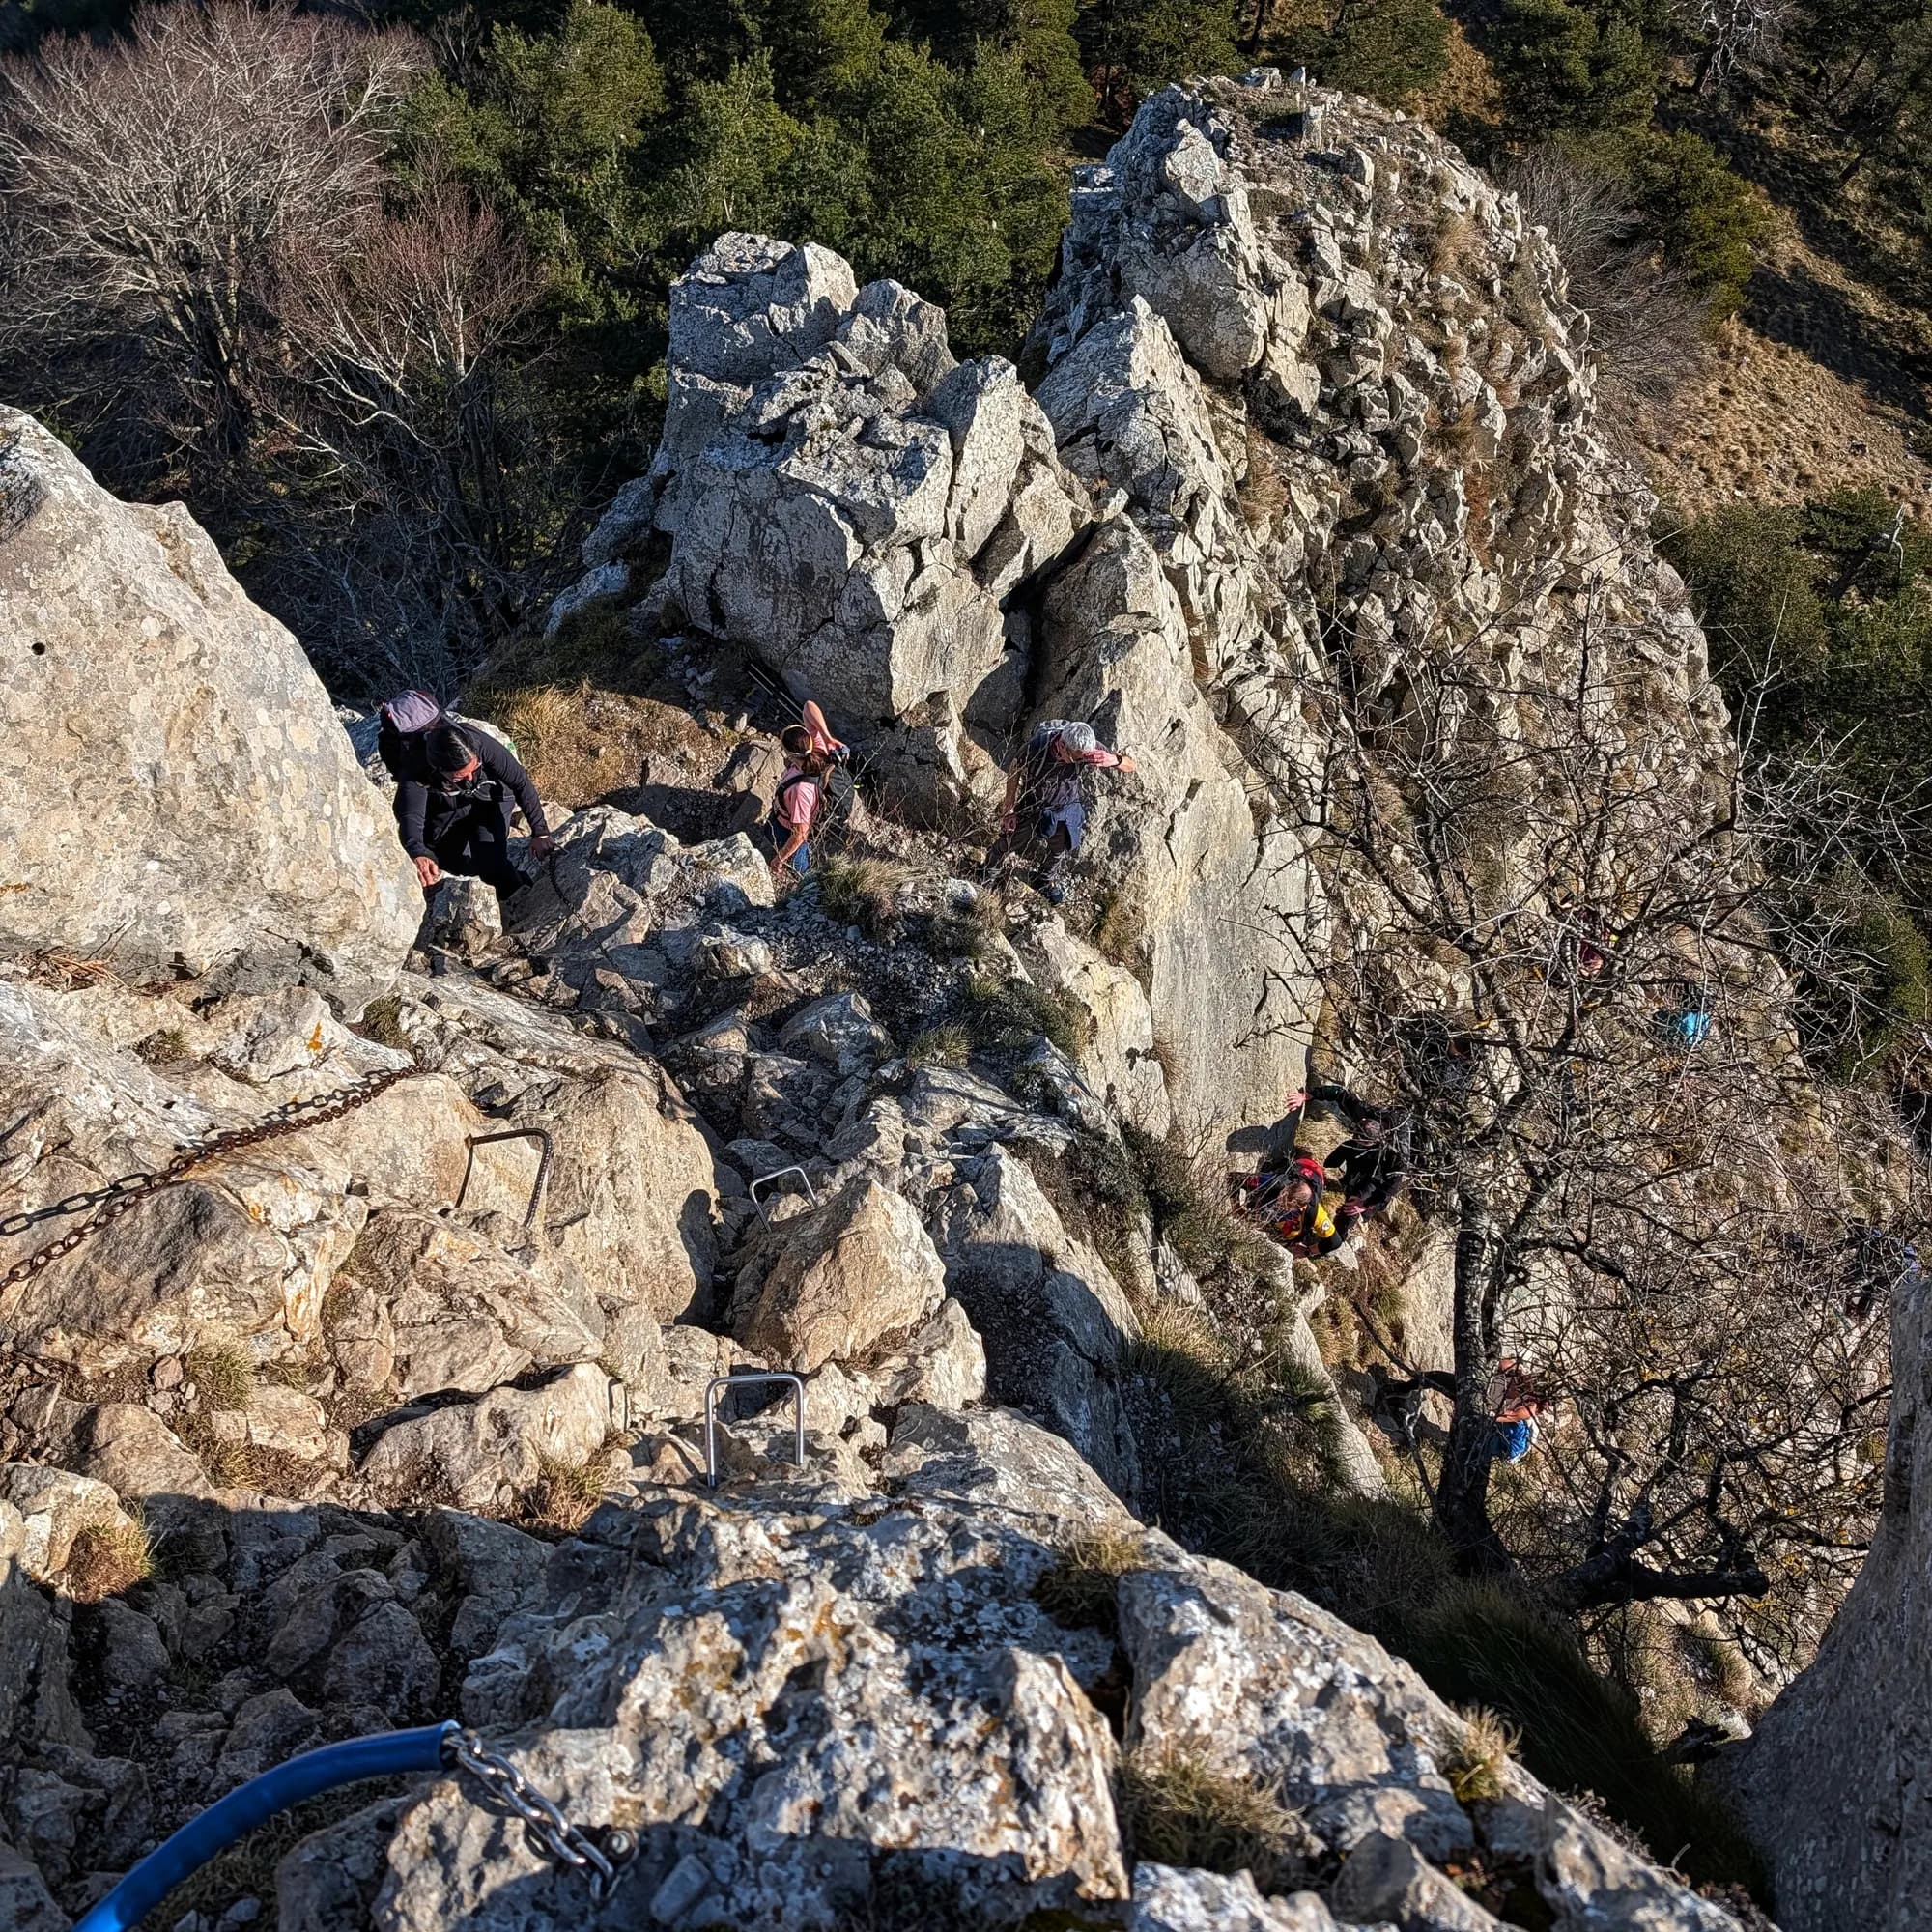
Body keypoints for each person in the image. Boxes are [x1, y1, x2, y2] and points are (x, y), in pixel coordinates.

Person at [396, 723, 553, 906]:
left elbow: (520, 783)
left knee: (492, 862)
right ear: (438, 768)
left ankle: (518, 897)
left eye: (475, 767)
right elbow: (411, 814)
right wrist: (418, 851)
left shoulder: (480, 745)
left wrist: (540, 831)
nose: (470, 778)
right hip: (445, 806)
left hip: (490, 800)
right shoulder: (417, 768)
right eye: (460, 776)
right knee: (446, 861)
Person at [998, 719, 1136, 903]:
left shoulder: (1088, 747)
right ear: (1062, 746)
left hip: (1066, 806)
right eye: (1078, 758)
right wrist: (1009, 809)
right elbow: (1015, 770)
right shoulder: (1037, 747)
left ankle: (1044, 880)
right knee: (1010, 839)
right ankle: (988, 872)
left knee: (1059, 848)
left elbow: (1131, 766)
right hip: (1035, 803)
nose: (1083, 760)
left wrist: (1114, 760)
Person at [1281, 1079, 1411, 1238]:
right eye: (1356, 1135)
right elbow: (1340, 1094)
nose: (1356, 1139)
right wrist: (1307, 1095)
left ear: (1376, 1141)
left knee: (1354, 1202)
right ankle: (1335, 1178)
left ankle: (1334, 1237)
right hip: (1367, 1148)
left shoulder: (1398, 1156)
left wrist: (1365, 1205)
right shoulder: (1367, 1114)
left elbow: (1390, 1188)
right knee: (1347, 1151)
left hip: (1379, 1168)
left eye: (1361, 1140)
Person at [1234, 1154, 1349, 1259]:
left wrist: (1307, 1252)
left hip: (1315, 1173)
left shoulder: (1314, 1212)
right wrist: (1236, 1208)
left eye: (1285, 1205)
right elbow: (1234, 1178)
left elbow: (1335, 1242)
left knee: (1318, 1245)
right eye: (1281, 1199)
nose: (1280, 1204)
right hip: (1302, 1165)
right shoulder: (1274, 1183)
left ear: (1301, 1207)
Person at [769, 727, 833, 877]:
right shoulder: (817, 750)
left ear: (789, 753)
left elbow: (799, 834)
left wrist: (779, 859)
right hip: (785, 818)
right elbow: (810, 706)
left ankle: (803, 881)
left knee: (799, 868)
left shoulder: (800, 791)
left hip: (788, 831)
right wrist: (828, 736)